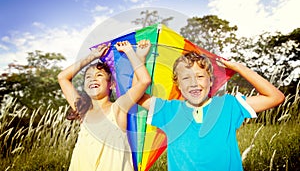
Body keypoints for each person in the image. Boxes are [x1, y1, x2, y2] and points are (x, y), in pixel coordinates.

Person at [135, 48, 285, 171]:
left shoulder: (228, 105)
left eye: (200, 76)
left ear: (211, 80)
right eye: (186, 78)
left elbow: (275, 97)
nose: (193, 82)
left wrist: (239, 67)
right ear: (178, 85)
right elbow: (136, 94)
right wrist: (140, 58)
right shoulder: (169, 111)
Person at [57, 40, 151, 171]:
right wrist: (92, 56)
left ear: (112, 84)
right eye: (88, 77)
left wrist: (132, 52)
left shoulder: (118, 108)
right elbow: (62, 77)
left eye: (99, 75)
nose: (93, 79)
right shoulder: (83, 112)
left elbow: (144, 80)